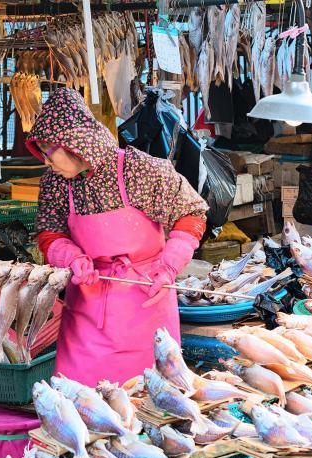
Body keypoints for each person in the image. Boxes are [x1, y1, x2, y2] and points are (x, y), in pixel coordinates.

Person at [26, 88, 208, 386]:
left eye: (48, 151)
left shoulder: (140, 169)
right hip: (87, 308)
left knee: (151, 400)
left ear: (74, 143)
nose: (45, 161)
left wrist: (170, 265)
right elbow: (49, 232)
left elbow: (191, 213)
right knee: (81, 399)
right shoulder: (56, 183)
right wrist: (69, 257)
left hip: (147, 301)